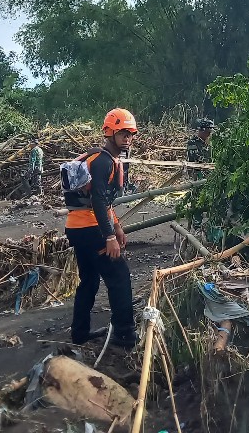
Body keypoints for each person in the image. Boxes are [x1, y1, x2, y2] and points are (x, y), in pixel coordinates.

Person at [64, 108, 137, 348]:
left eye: (130, 134)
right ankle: (124, 334)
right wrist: (109, 236)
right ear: (110, 132)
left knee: (90, 280)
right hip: (91, 229)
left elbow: (105, 202)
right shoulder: (103, 162)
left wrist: (117, 226)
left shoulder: (102, 159)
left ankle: (80, 333)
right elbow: (97, 201)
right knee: (119, 276)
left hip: (77, 228)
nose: (127, 138)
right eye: (122, 133)